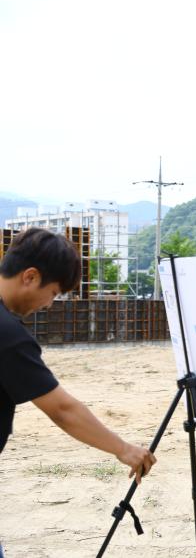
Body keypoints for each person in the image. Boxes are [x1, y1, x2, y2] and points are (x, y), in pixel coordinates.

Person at [0, 228, 157, 552]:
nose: (49, 304)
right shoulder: (8, 335)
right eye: (54, 292)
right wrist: (123, 448)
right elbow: (62, 409)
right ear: (30, 276)